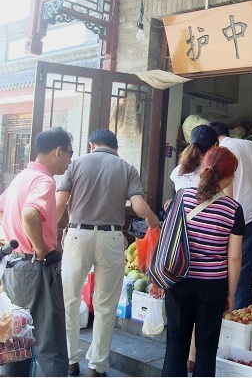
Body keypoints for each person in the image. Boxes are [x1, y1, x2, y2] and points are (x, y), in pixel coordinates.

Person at [56, 128, 159, 377]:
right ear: (116, 147)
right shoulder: (126, 167)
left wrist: (49, 237)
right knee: (106, 305)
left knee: (69, 301)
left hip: (78, 235)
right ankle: (97, 367)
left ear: (92, 145)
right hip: (112, 238)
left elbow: (59, 205)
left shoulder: (76, 164)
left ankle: (70, 361)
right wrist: (155, 222)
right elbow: (138, 206)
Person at [157, 146, 244, 377]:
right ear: (227, 176)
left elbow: (167, 237)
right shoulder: (233, 209)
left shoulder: (182, 196)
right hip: (213, 286)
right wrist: (231, 294)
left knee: (175, 345)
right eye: (232, 173)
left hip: (179, 279)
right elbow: (234, 257)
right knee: (206, 349)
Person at [0, 127, 73, 377]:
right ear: (57, 151)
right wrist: (41, 250)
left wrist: (12, 240)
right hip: (35, 267)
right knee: (49, 341)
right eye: (69, 153)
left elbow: (2, 209)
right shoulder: (44, 181)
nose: (70, 160)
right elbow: (29, 214)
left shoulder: (22, 177)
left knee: (16, 339)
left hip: (13, 265)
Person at [209, 121, 252, 309]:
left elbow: (228, 190)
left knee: (242, 268)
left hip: (246, 214)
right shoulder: (249, 144)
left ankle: (238, 315)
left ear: (214, 140)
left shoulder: (223, 152)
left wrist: (226, 217)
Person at [168, 124, 218, 373]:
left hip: (179, 249)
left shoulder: (178, 170)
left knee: (181, 317)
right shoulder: (210, 172)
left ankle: (183, 358)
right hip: (205, 247)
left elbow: (175, 201)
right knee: (203, 313)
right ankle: (193, 356)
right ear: (214, 147)